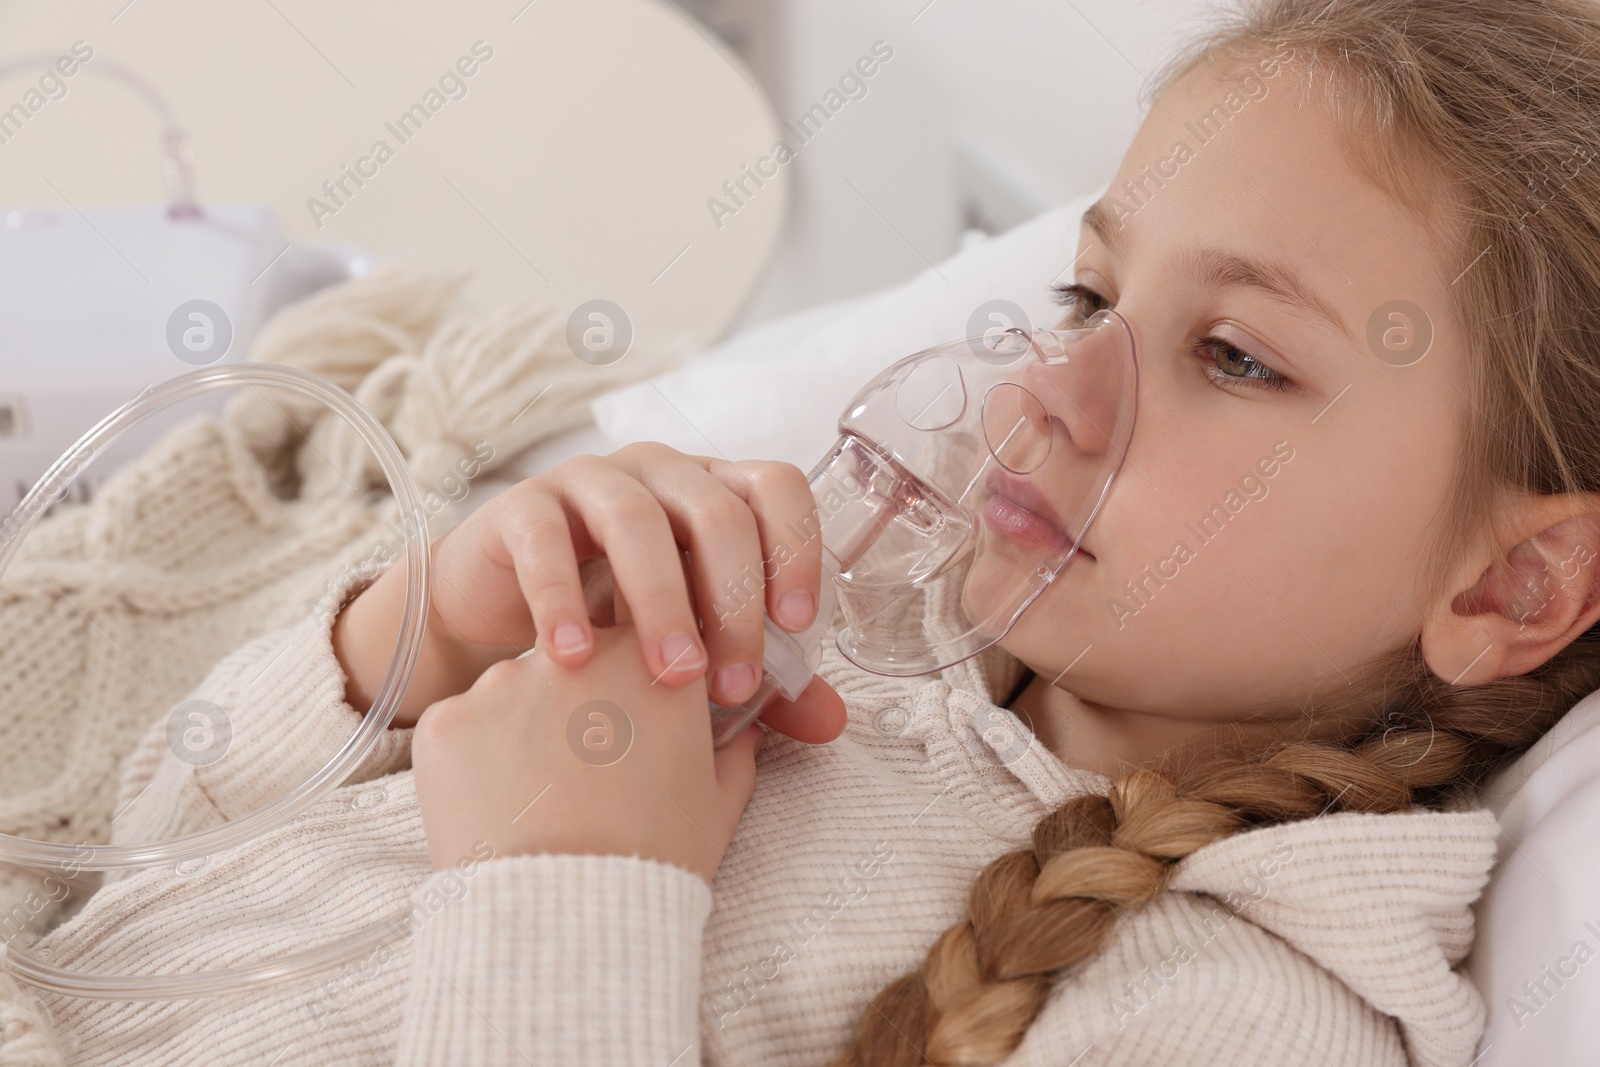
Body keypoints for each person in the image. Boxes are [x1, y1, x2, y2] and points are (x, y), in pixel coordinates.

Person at [11, 0, 1600, 1063]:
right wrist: (417, 642)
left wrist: (570, 888)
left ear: (1513, 582)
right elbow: (124, 892)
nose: (1050, 388)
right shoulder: (854, 627)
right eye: (1089, 295)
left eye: (1236, 357)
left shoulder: (1229, 1022)